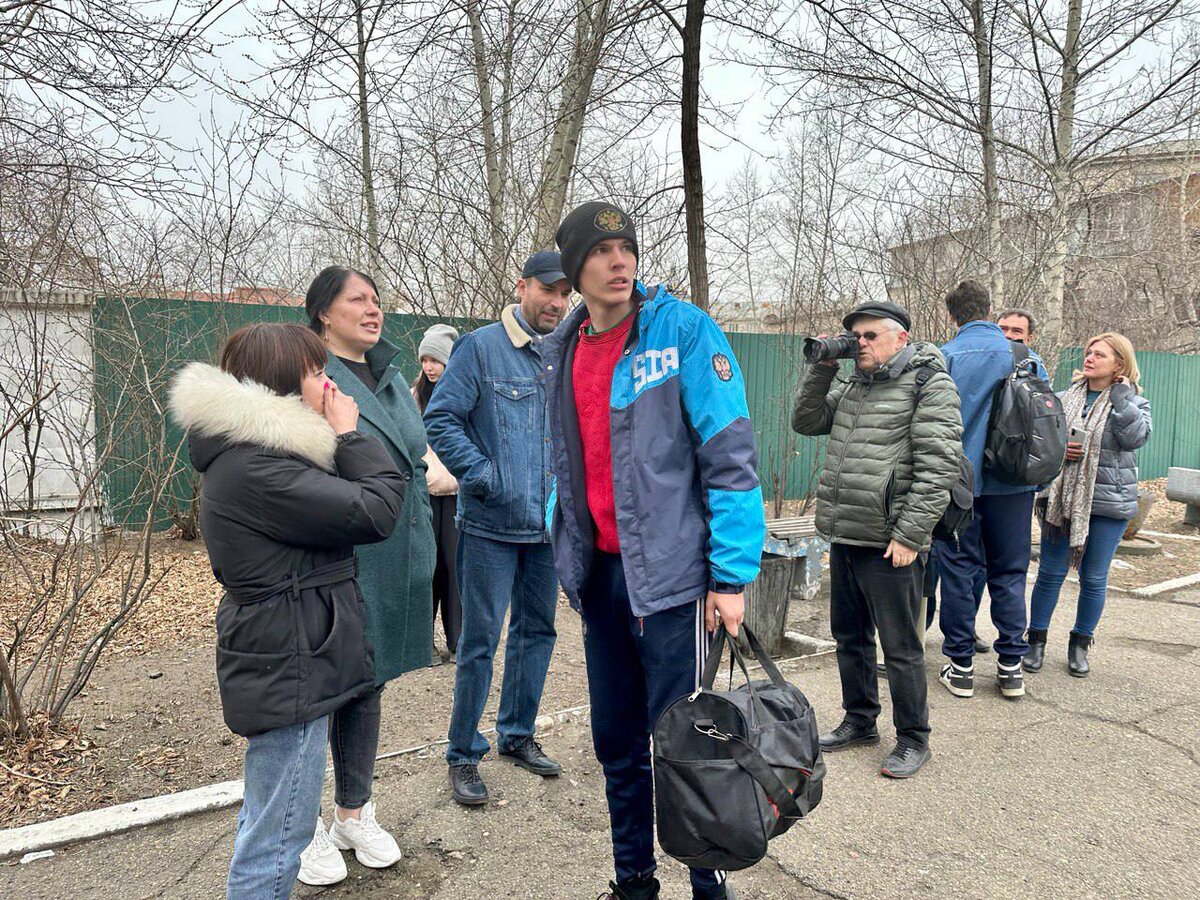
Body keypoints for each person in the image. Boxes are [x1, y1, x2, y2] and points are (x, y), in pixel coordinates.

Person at [543, 201, 766, 900]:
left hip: (675, 583)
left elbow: (730, 459)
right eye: (602, 251)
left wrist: (729, 577)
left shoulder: (683, 331)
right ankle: (634, 881)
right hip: (602, 578)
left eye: (627, 248)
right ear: (575, 267)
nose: (620, 261)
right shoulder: (564, 348)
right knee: (617, 743)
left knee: (691, 749)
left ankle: (709, 888)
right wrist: (563, 546)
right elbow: (565, 461)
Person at [167, 324, 405, 900]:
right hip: (290, 654)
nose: (328, 384)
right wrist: (349, 437)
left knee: (272, 818)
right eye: (316, 372)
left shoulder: (258, 453)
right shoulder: (260, 468)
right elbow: (377, 508)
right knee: (279, 835)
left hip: (289, 647)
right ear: (280, 384)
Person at [297, 267, 437, 886]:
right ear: (324, 313)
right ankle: (301, 829)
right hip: (342, 553)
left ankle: (353, 811)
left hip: (397, 550)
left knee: (369, 681)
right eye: (358, 300)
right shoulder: (308, 373)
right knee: (322, 687)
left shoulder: (390, 376)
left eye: (377, 300)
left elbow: (414, 457)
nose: (373, 309)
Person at [424, 251, 571, 806]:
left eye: (564, 295)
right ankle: (463, 752)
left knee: (538, 633)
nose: (557, 303)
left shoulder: (562, 354)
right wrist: (484, 476)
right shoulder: (481, 348)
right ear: (522, 286)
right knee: (480, 642)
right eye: (548, 292)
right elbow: (441, 417)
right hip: (489, 525)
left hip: (546, 529)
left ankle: (517, 735)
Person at [793, 300, 961, 781]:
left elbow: (938, 465)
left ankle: (913, 738)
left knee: (901, 646)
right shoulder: (853, 382)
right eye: (855, 337)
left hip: (892, 540)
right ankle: (860, 721)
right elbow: (806, 423)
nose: (860, 344)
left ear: (900, 339)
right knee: (850, 637)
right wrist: (824, 369)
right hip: (846, 530)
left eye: (869, 336)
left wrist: (911, 533)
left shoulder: (930, 384)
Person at [936, 281, 1049, 702]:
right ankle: (1011, 667)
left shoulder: (945, 357)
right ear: (988, 310)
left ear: (954, 316)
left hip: (959, 484)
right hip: (1014, 486)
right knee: (1010, 574)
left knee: (959, 574)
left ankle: (961, 666)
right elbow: (1045, 425)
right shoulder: (1027, 357)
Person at [1025, 333, 1151, 677]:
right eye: (1089, 353)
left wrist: (1122, 400)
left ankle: (1080, 644)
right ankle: (1034, 641)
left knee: (1094, 577)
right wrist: (1061, 449)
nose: (1090, 358)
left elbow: (1134, 439)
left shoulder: (1135, 403)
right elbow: (1043, 441)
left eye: (1100, 354)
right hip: (1061, 500)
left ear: (1119, 365)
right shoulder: (1064, 398)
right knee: (1050, 574)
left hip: (1109, 502)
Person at [414, 323, 462, 660]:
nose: (429, 367)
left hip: (458, 493)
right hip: (426, 493)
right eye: (425, 360)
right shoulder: (414, 395)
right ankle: (422, 643)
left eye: (436, 361)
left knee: (455, 567)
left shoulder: (464, 390)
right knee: (427, 567)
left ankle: (458, 641)